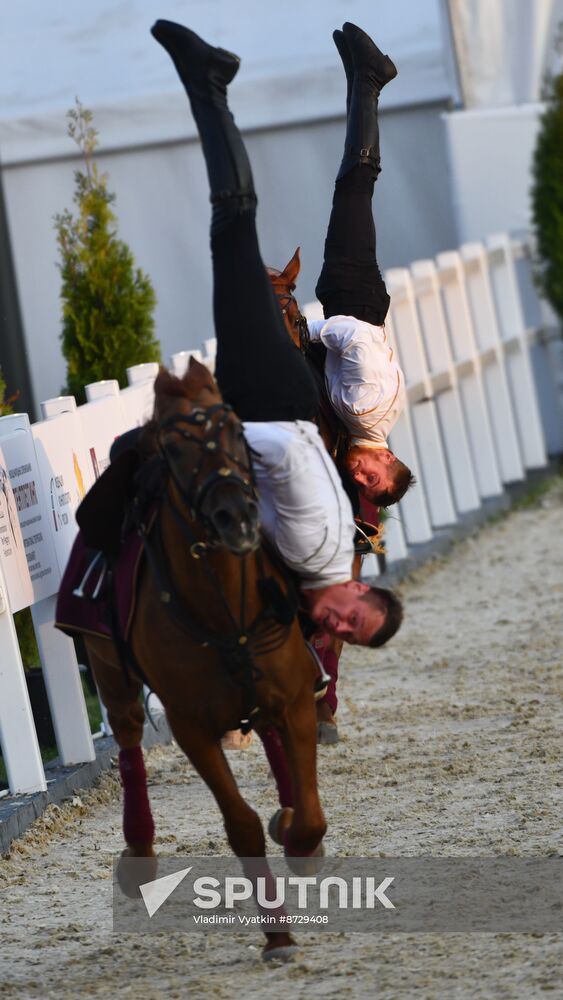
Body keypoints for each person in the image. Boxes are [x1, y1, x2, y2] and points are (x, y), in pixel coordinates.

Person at [151, 19, 403, 647]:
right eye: (354, 619)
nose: (337, 624)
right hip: (343, 317)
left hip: (286, 388)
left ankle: (348, 83)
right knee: (322, 197)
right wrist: (307, 332)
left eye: (345, 633)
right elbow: (298, 439)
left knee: (241, 224)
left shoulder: (313, 559)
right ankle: (360, 84)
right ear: (360, 587)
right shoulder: (364, 416)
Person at [272, 22, 416, 509]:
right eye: (372, 479)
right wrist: (306, 331)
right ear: (389, 462)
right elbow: (353, 337)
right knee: (356, 181)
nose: (361, 478)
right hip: (354, 300)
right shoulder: (365, 409)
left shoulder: (368, 420)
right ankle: (370, 80)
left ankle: (360, 78)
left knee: (352, 184)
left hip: (357, 297)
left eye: (362, 486)